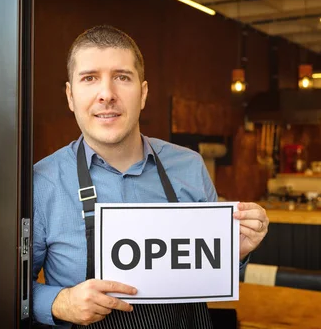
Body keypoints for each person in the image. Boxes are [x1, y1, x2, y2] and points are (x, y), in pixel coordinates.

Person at [32, 25, 269, 328]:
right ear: (70, 95)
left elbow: (220, 278)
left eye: (122, 77)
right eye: (90, 78)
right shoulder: (42, 182)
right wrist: (60, 302)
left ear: (143, 93)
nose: (107, 94)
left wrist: (236, 251)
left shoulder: (190, 167)